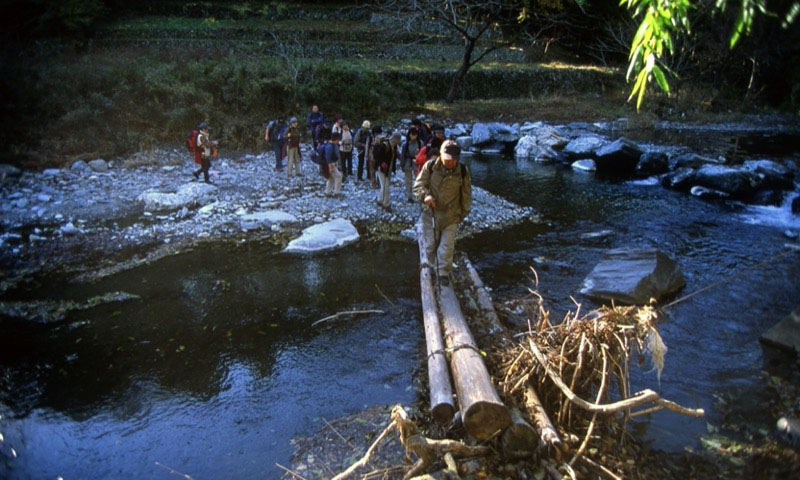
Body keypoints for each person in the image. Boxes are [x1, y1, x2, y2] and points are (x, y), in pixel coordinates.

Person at [413, 139, 471, 286]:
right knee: (430, 245)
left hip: (451, 216)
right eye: (447, 159)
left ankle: (443, 273)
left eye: (453, 160)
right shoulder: (430, 166)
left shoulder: (463, 171)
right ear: (441, 154)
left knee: (446, 246)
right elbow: (418, 185)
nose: (450, 163)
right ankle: (432, 268)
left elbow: (466, 194)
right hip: (430, 214)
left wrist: (462, 214)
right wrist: (425, 195)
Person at [374, 131, 400, 212]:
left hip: (388, 169)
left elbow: (395, 155)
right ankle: (386, 204)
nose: (397, 143)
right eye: (397, 141)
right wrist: (381, 163)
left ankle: (380, 200)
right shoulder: (384, 145)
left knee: (384, 185)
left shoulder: (394, 147)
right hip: (381, 169)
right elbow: (376, 156)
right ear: (394, 139)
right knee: (386, 186)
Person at [400, 127, 424, 203]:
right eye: (412, 135)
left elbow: (423, 154)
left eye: (415, 135)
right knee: (408, 181)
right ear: (409, 135)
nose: (413, 136)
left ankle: (419, 195)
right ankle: (409, 196)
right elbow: (402, 155)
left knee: (419, 180)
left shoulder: (420, 143)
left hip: (417, 164)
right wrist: (402, 165)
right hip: (408, 163)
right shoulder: (405, 144)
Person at [324, 132, 343, 197]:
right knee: (339, 176)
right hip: (331, 164)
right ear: (336, 139)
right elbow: (328, 158)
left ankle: (328, 192)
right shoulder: (329, 147)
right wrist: (330, 167)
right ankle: (337, 192)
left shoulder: (333, 145)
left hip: (333, 163)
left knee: (331, 177)